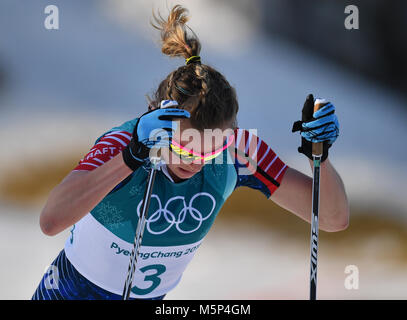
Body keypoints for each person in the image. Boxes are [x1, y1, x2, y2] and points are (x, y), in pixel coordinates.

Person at [32, 5, 349, 300]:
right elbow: (51, 220)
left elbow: (332, 218)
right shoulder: (126, 142)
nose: (196, 162)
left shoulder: (238, 150)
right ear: (159, 122)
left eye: (213, 149)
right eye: (184, 147)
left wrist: (319, 157)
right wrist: (132, 156)